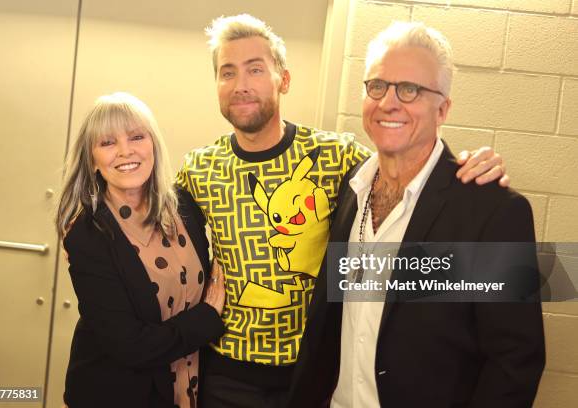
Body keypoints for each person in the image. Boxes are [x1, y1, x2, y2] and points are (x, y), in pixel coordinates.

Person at [176, 15, 511, 407]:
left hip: (314, 375)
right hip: (227, 375)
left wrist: (472, 164)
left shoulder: (339, 157)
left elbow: (409, 163)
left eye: (255, 69)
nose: (241, 84)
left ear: (283, 79)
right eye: (227, 73)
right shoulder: (196, 170)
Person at [289, 22, 545, 408]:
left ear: (443, 108)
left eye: (410, 89)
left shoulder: (492, 212)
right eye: (377, 85)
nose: (389, 102)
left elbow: (515, 363)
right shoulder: (351, 188)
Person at [55, 92, 226, 408]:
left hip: (187, 389)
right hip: (114, 394)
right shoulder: (87, 234)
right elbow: (130, 346)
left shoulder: (184, 206)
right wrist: (207, 318)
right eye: (107, 143)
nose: (125, 151)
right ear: (92, 159)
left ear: (153, 145)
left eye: (136, 137)